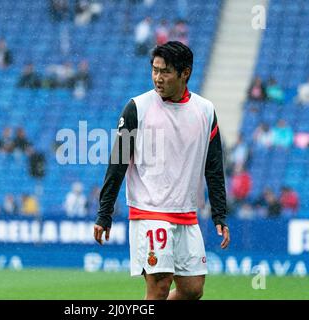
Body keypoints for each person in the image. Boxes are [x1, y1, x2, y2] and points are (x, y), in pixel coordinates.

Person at [94, 41, 229, 300]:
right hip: (150, 211)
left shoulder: (205, 111)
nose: (158, 78)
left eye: (165, 71)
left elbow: (213, 167)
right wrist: (105, 213)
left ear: (185, 73)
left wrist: (219, 214)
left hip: (186, 213)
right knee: (159, 287)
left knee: (192, 290)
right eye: (154, 70)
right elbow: (117, 163)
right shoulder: (137, 108)